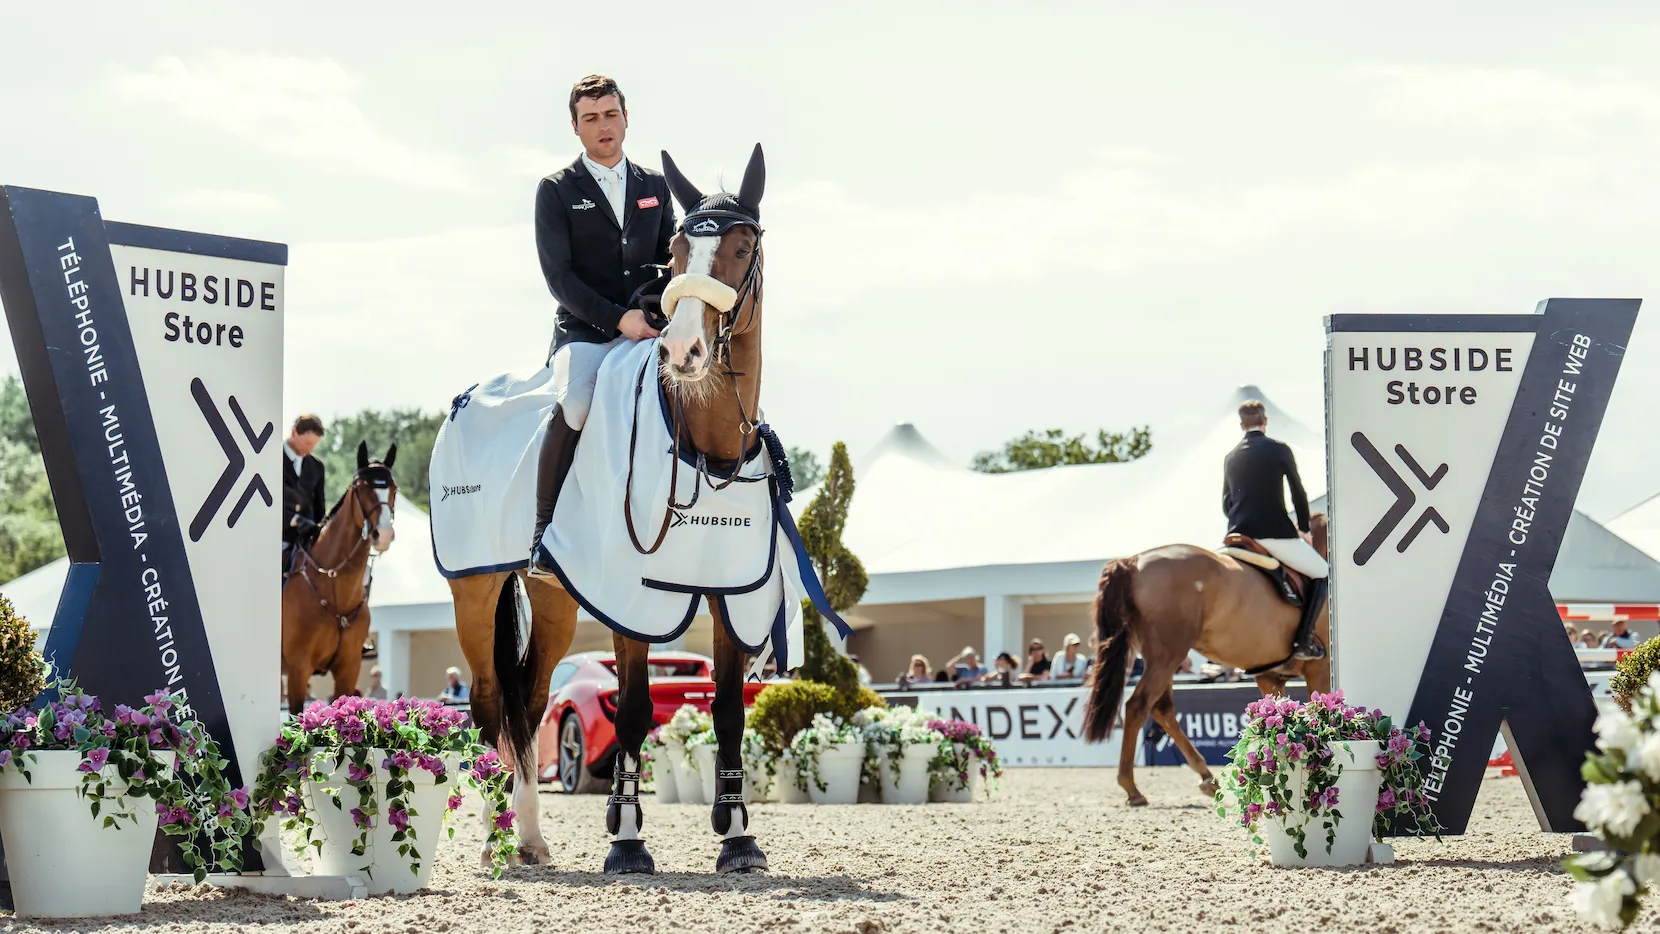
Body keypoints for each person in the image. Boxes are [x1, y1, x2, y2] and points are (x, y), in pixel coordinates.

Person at [528, 74, 677, 577]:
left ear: (626, 118)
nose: (603, 126)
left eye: (610, 114)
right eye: (590, 118)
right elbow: (558, 277)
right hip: (584, 329)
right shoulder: (554, 190)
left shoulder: (655, 186)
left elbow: (668, 261)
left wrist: (651, 313)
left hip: (650, 325)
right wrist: (618, 318)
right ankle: (544, 532)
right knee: (576, 402)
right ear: (576, 127)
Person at [1223, 399, 1326, 660]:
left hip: (1237, 536)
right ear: (1265, 421)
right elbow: (1297, 492)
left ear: (1241, 424)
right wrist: (1304, 529)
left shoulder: (1231, 456)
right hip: (1272, 533)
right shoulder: (1279, 450)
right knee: (1323, 572)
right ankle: (1303, 641)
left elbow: (1227, 502)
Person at [281, 414, 327, 579]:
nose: (310, 449)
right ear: (294, 432)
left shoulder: (317, 467)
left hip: (307, 542)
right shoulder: (271, 459)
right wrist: (293, 520)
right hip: (277, 537)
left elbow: (319, 507)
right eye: (307, 443)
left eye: (314, 445)